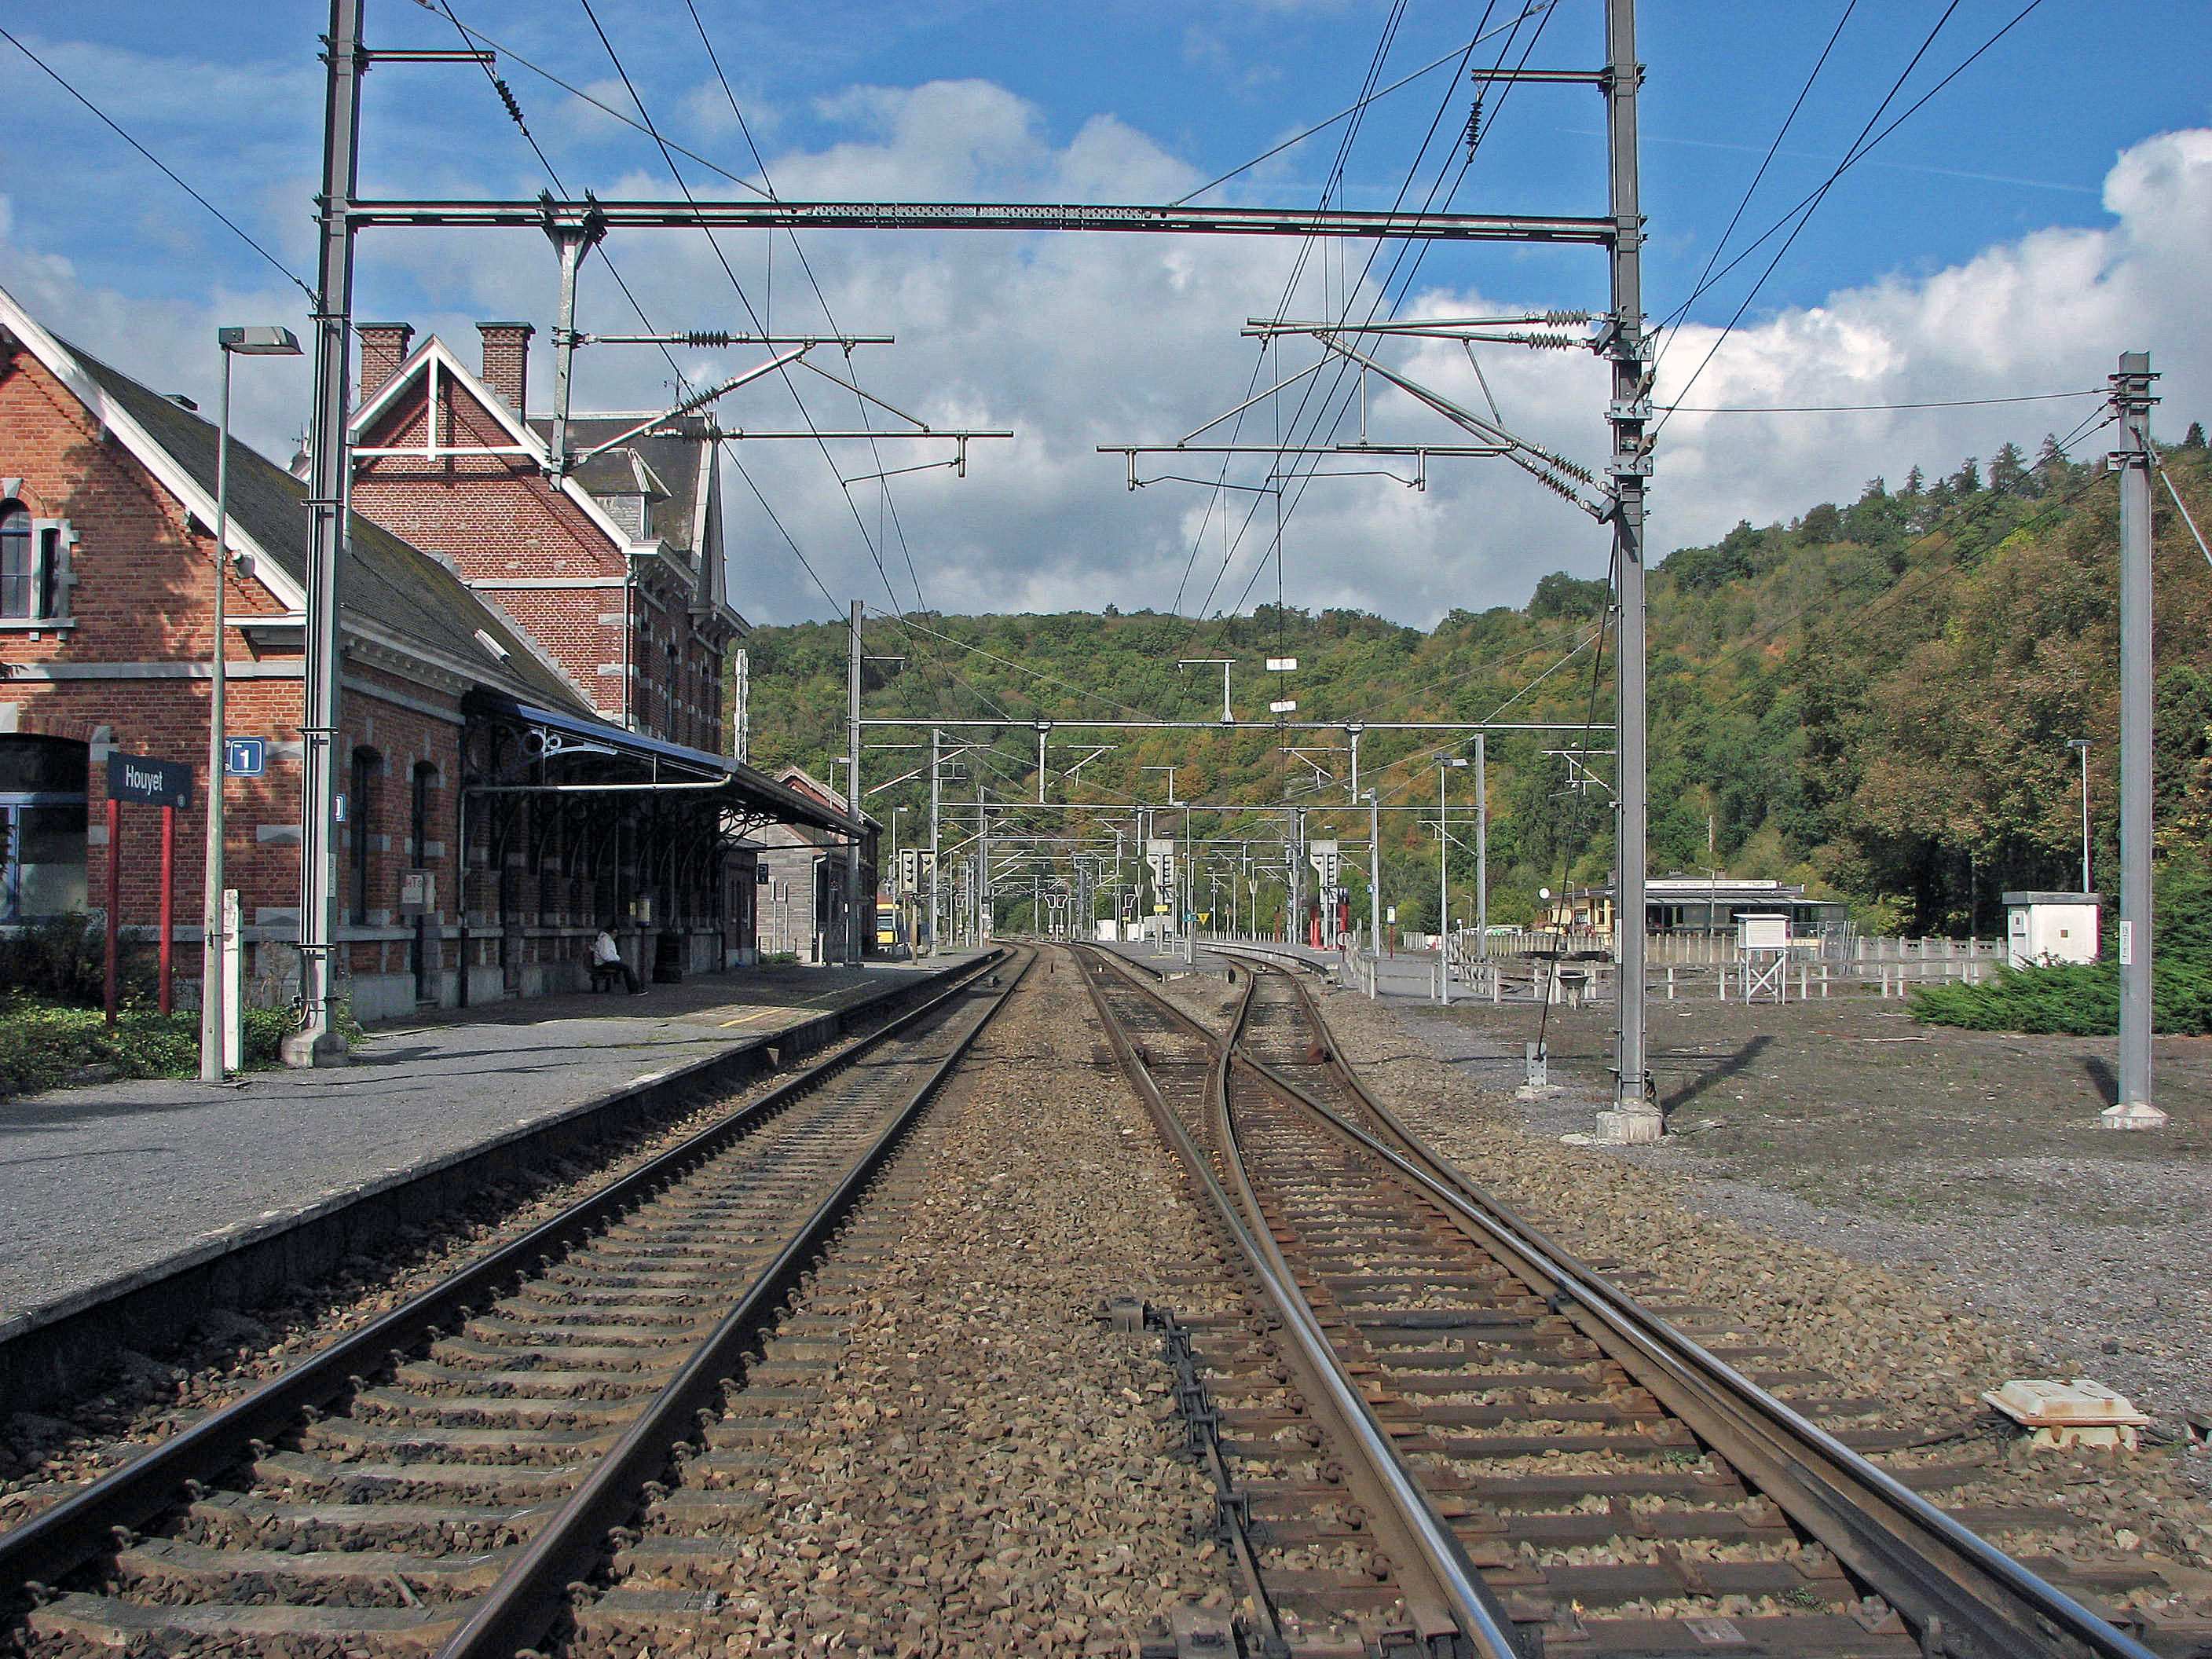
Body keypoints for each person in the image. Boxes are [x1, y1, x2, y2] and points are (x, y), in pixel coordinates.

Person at [592, 923, 643, 994]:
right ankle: (634, 990)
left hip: (608, 962)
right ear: (609, 932)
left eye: (616, 933)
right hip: (603, 963)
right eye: (614, 933)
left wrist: (617, 960)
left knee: (627, 967)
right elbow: (605, 955)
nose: (615, 935)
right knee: (627, 968)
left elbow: (612, 953)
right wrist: (616, 960)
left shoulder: (609, 940)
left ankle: (636, 988)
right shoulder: (604, 940)